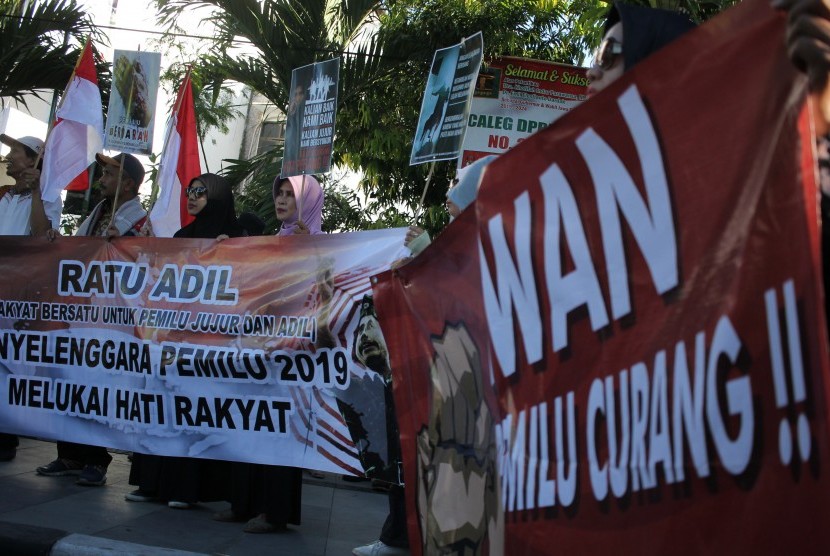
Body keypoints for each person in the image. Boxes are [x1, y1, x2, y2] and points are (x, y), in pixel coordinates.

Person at [211, 174, 324, 533]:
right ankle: (242, 503)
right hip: (259, 352)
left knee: (278, 431)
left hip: (292, 356)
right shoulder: (272, 242)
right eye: (280, 193)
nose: (282, 200)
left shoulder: (321, 245)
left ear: (308, 202)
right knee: (250, 424)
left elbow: (324, 299)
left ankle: (274, 512)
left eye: (291, 195)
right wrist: (231, 251)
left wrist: (310, 254)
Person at [126, 173, 241, 508]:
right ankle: (152, 484)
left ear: (217, 198)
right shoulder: (181, 236)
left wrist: (229, 252)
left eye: (200, 192)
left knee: (193, 414)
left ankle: (188, 490)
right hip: (172, 339)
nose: (191, 197)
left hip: (206, 345)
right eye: (190, 191)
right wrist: (148, 249)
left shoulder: (234, 237)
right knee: (163, 410)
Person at [36, 152, 147, 486]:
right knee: (70, 380)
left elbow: (150, 264)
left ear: (128, 184)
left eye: (110, 174)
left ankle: (97, 460)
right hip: (81, 311)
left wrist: (127, 245)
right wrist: (61, 244)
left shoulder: (141, 223)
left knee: (100, 387)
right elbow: (80, 251)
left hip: (111, 319)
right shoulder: (98, 212)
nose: (102, 179)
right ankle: (68, 453)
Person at [0, 134, 60, 461]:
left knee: (10, 364)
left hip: (19, 295)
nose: (8, 158)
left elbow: (41, 235)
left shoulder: (48, 196)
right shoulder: (5, 196)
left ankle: (6, 437)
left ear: (33, 160)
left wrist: (36, 192)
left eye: (15, 153)